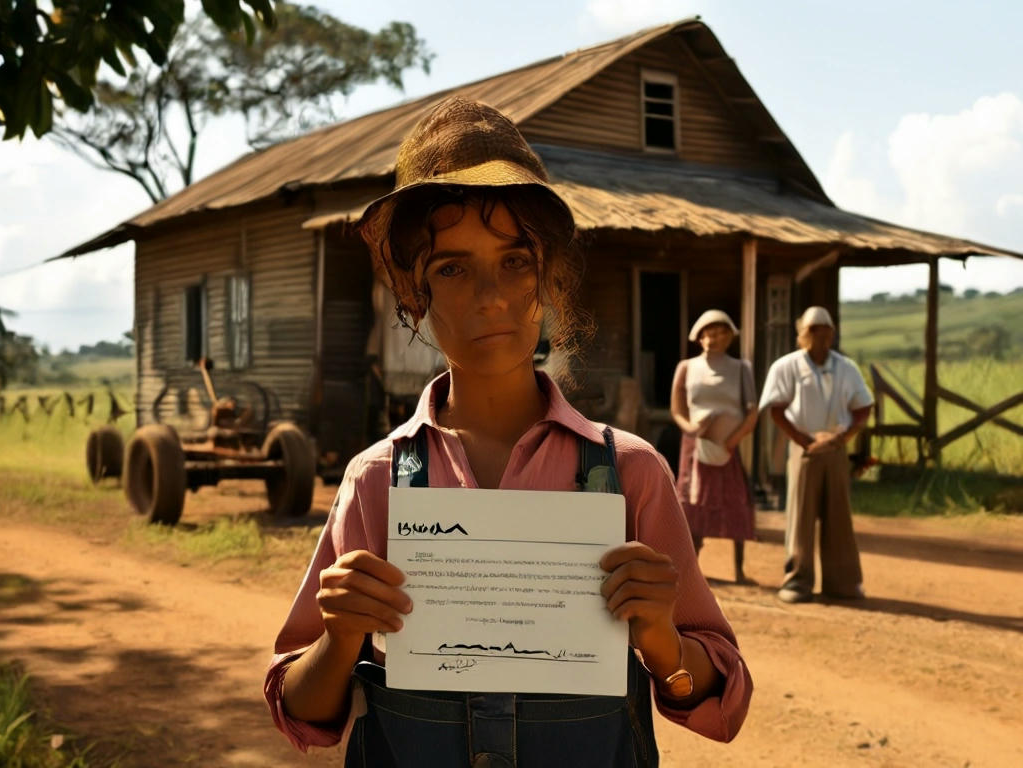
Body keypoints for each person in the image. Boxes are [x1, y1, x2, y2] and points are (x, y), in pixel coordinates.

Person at [264, 97, 752, 766]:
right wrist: (340, 639)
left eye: (515, 261)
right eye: (452, 268)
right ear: (416, 295)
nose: (489, 295)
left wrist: (663, 641)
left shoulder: (629, 474)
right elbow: (302, 711)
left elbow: (719, 700)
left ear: (547, 276)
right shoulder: (379, 481)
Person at [758, 306, 873, 604]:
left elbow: (863, 408)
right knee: (801, 516)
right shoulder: (787, 366)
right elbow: (776, 409)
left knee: (838, 517)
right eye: (812, 330)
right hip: (804, 448)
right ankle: (798, 581)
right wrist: (805, 441)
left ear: (832, 334)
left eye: (825, 330)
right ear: (800, 335)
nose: (819, 336)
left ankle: (844, 583)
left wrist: (841, 438)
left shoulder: (846, 368)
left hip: (835, 448)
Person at [670, 310, 758, 583]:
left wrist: (733, 440)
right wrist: (691, 429)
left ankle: (739, 570)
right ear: (699, 337)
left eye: (720, 332)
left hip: (728, 449)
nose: (713, 338)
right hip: (695, 448)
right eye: (707, 333)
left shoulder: (741, 368)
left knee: (735, 501)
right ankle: (692, 569)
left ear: (730, 336)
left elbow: (752, 411)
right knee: (694, 503)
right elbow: (678, 409)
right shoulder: (686, 367)